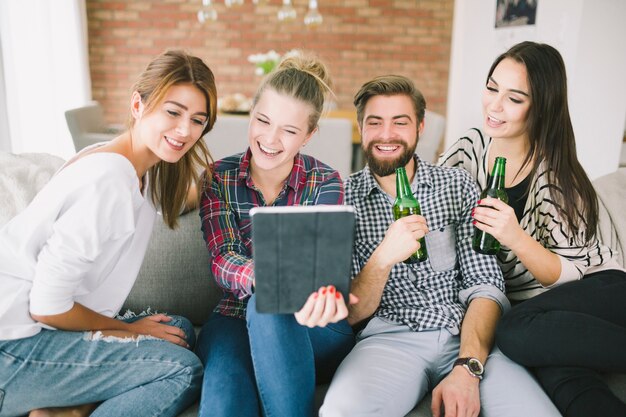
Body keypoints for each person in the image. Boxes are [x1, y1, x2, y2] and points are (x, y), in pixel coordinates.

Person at [320, 75, 560, 417]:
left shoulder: (457, 185)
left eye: (399, 122)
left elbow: (486, 285)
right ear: (361, 128)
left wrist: (468, 365)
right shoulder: (341, 199)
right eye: (375, 123)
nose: (386, 134)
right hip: (387, 340)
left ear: (419, 126)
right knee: (341, 412)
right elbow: (352, 313)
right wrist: (384, 257)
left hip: (466, 335)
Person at [0, 49, 218, 417]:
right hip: (15, 347)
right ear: (138, 104)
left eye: (198, 120)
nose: (185, 131)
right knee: (181, 368)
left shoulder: (133, 168)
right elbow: (48, 306)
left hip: (37, 332)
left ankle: (68, 410)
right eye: (173, 111)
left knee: (177, 328)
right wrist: (125, 330)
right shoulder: (108, 182)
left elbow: (173, 198)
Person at [439, 41, 626, 417]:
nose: (494, 105)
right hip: (543, 314)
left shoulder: (556, 175)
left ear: (539, 106)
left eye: (514, 98)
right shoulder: (468, 149)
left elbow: (566, 275)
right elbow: (435, 205)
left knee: (513, 331)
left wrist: (514, 236)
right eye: (492, 88)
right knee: (560, 373)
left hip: (598, 291)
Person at [195, 52, 355, 417]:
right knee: (223, 405)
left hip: (313, 324)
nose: (269, 138)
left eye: (289, 129)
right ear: (250, 115)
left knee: (267, 308)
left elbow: (320, 272)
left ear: (310, 135)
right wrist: (270, 278)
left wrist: (322, 290)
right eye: (263, 121)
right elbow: (223, 258)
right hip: (233, 319)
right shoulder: (218, 177)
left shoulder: (326, 181)